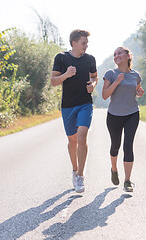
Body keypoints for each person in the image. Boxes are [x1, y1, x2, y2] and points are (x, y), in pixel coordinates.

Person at [51, 29, 98, 193]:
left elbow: (94, 76)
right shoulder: (61, 58)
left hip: (85, 103)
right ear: (74, 43)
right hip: (68, 106)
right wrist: (66, 75)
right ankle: (74, 169)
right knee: (72, 141)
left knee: (82, 136)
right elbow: (53, 82)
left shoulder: (90, 59)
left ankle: (80, 176)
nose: (86, 46)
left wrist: (93, 85)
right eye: (84, 43)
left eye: (87, 43)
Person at [102, 46, 144, 192]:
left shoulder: (135, 75)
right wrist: (117, 82)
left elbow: (137, 90)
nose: (116, 56)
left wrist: (139, 92)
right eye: (114, 54)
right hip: (114, 115)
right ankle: (114, 169)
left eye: (120, 53)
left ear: (128, 56)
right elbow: (105, 95)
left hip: (132, 113)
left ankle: (127, 180)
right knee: (115, 145)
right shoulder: (111, 74)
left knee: (128, 145)